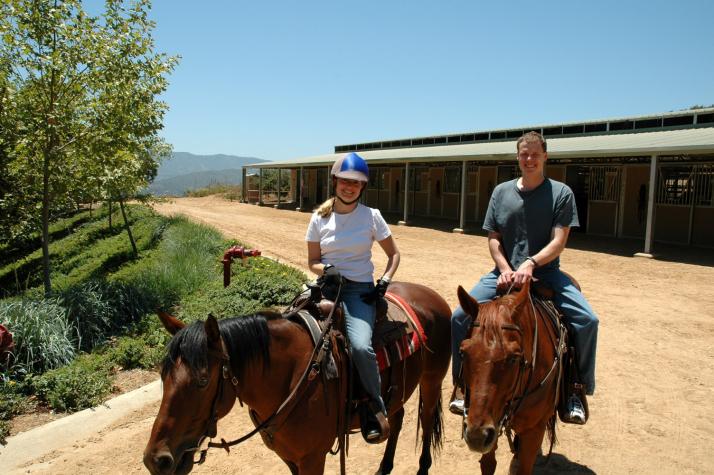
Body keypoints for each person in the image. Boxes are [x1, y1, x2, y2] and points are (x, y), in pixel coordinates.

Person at [450, 131, 598, 424]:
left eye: (535, 154)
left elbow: (559, 241)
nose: (529, 159)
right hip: (502, 275)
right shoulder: (501, 192)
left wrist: (530, 263)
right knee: (457, 317)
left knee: (587, 321)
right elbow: (493, 238)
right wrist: (505, 268)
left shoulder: (561, 193)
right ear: (518, 157)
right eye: (524, 154)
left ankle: (575, 389)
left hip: (545, 274)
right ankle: (461, 386)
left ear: (545, 156)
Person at [305, 152, 401, 442]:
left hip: (359, 291)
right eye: (345, 181)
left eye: (356, 184)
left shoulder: (372, 217)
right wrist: (327, 268)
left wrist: (384, 280)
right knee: (289, 325)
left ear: (363, 188)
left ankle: (375, 406)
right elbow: (312, 261)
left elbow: (394, 254)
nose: (349, 187)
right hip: (328, 288)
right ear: (335, 182)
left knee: (360, 346)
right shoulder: (319, 219)